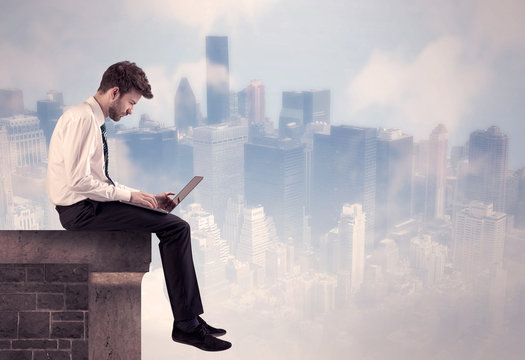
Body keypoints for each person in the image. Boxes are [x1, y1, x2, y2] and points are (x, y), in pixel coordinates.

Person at [46, 61, 231, 352]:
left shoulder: (90, 118)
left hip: (89, 205)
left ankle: (191, 319)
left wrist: (144, 197)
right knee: (176, 229)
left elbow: (97, 179)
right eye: (131, 102)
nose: (132, 110)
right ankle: (186, 326)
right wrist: (131, 198)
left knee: (166, 219)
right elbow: (79, 181)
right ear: (115, 92)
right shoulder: (82, 119)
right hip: (81, 212)